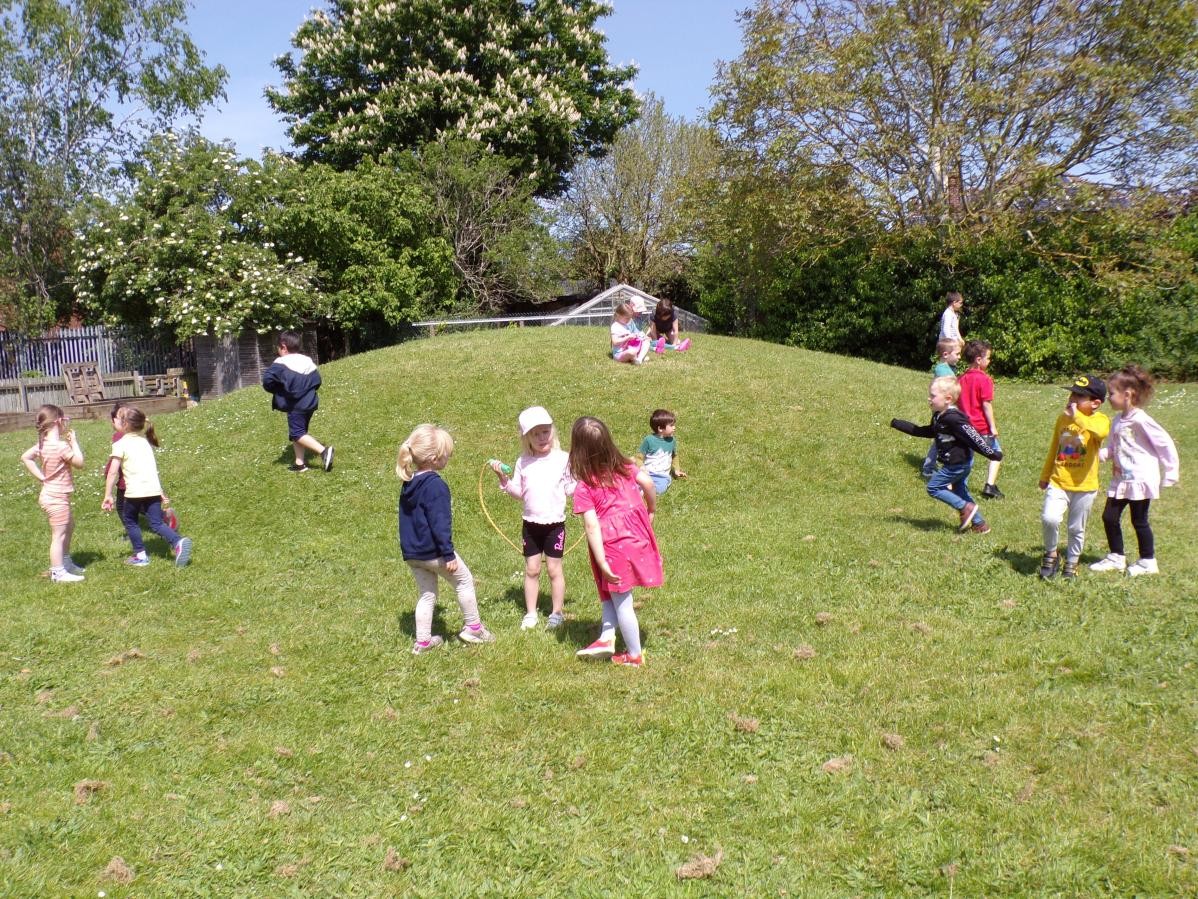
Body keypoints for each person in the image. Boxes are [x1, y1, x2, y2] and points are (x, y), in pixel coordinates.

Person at [569, 416, 662, 667]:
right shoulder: (626, 467)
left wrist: (601, 561)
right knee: (611, 592)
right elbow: (649, 483)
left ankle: (634, 655)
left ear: (578, 451)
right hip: (637, 536)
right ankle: (607, 637)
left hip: (613, 545)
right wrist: (651, 508)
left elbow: (591, 525)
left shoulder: (585, 487)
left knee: (623, 601)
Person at [398, 424, 495, 653]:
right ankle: (473, 628)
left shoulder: (409, 482)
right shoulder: (435, 486)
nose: (449, 458)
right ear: (434, 458)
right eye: (446, 455)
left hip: (413, 554)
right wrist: (448, 553)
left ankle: (422, 642)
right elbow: (440, 523)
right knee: (464, 581)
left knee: (427, 594)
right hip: (434, 552)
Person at [1090, 365, 1179, 577]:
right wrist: (1099, 455)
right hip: (1121, 480)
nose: (1108, 398)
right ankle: (1116, 557)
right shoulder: (1117, 420)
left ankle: (1148, 561)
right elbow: (1114, 447)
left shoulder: (1141, 419)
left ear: (1128, 395)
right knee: (1109, 517)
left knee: (1139, 521)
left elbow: (1164, 443)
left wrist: (1171, 471)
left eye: (1112, 393)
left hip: (1140, 479)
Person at [490, 406, 574, 630]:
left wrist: (587, 485)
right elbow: (521, 493)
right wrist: (504, 480)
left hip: (555, 524)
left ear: (552, 431)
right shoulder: (523, 462)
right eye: (535, 434)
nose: (541, 438)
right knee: (532, 569)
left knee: (554, 569)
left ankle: (557, 612)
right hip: (530, 525)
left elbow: (569, 487)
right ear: (527, 437)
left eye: (545, 431)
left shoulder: (563, 459)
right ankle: (530, 613)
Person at [890, 376, 1003, 534]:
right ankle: (979, 524)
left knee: (933, 487)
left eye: (933, 396)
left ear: (948, 399)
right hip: (954, 463)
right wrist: (899, 424)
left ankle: (965, 508)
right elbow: (926, 431)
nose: (929, 399)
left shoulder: (954, 418)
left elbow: (973, 437)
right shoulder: (938, 416)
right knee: (960, 491)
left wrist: (992, 454)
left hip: (959, 463)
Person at [1037, 374, 1110, 579]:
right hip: (1059, 480)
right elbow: (1054, 447)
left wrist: (1076, 416)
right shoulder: (1063, 419)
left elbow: (1100, 433)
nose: (1071, 399)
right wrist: (1045, 474)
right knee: (1049, 518)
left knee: (1076, 527)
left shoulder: (1100, 420)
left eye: (1079, 396)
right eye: (1072, 394)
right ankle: (1052, 553)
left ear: (1095, 403)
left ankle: (1072, 561)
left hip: (1085, 486)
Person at [102, 406, 193, 567]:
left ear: (125, 424)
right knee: (156, 523)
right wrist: (160, 492)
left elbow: (112, 472)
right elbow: (151, 469)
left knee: (130, 521)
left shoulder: (121, 444)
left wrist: (108, 494)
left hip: (134, 492)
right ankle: (177, 541)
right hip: (152, 490)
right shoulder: (145, 442)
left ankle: (140, 556)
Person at [21, 404, 86, 582]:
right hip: (55, 498)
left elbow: (25, 457)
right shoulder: (61, 446)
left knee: (69, 526)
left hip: (52, 495)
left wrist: (42, 477)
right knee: (59, 535)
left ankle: (65, 562)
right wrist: (74, 443)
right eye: (65, 420)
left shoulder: (43, 444)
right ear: (58, 422)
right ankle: (58, 572)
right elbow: (79, 463)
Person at [262, 330, 334, 472]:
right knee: (300, 432)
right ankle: (299, 464)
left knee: (297, 433)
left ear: (283, 347)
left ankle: (324, 451)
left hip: (296, 405)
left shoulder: (281, 363)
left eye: (278, 347)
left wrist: (279, 390)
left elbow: (267, 382)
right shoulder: (306, 360)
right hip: (310, 402)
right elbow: (317, 381)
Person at [957, 340, 1003, 499]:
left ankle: (959, 486)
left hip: (964, 427)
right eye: (988, 358)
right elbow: (986, 405)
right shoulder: (984, 379)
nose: (989, 361)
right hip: (981, 427)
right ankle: (990, 486)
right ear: (978, 359)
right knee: (996, 453)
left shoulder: (961, 379)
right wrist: (993, 427)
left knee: (967, 458)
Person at [921, 338, 962, 477]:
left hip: (946, 410)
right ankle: (928, 468)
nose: (959, 357)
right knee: (941, 438)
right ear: (945, 354)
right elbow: (948, 390)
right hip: (942, 411)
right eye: (957, 354)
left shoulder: (948, 369)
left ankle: (934, 464)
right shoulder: (943, 371)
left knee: (943, 438)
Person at [637, 409, 687, 495]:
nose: (674, 427)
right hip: (647, 473)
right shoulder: (649, 440)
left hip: (662, 476)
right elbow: (638, 457)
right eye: (671, 425)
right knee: (635, 484)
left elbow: (674, 456)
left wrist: (676, 470)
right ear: (660, 428)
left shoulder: (672, 441)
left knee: (660, 488)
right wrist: (641, 467)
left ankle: (647, 491)